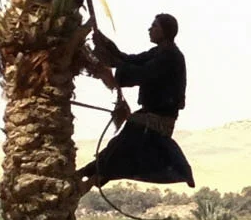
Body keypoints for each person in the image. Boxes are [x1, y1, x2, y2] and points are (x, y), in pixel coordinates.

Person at [77, 11, 194, 192]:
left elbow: (141, 72)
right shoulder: (160, 53)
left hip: (156, 121)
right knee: (117, 150)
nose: (150, 29)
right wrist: (106, 46)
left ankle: (85, 178)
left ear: (165, 31)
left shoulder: (169, 57)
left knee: (119, 151)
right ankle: (87, 176)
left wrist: (110, 67)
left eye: (154, 26)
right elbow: (130, 60)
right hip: (147, 117)